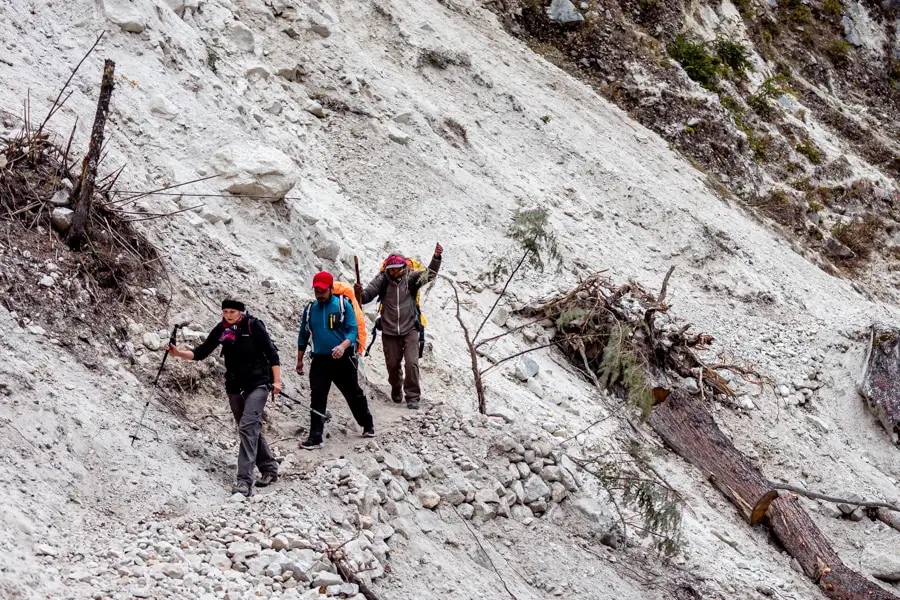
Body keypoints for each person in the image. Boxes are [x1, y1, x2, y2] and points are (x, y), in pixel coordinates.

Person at [167, 299, 281, 497]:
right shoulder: (222, 329)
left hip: (258, 384)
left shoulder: (253, 326)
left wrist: (277, 382)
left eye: (232, 312)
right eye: (225, 311)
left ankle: (244, 481)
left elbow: (271, 353)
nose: (228, 315)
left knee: (247, 426)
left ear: (241, 312)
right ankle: (269, 468)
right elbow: (201, 352)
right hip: (235, 385)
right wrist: (177, 353)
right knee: (249, 426)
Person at [355, 243, 443, 410]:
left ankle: (413, 396)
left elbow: (429, 275)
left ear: (404, 267)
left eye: (399, 269)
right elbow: (365, 297)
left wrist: (436, 258)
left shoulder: (410, 279)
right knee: (393, 366)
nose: (396, 273)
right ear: (387, 269)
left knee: (412, 363)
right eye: (392, 270)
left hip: (410, 328)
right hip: (389, 331)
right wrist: (357, 291)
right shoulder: (381, 280)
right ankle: (396, 388)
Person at [296, 271, 375, 449]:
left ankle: (367, 424)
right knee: (317, 396)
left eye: (323, 291)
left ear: (331, 288)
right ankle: (315, 436)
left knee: (353, 393)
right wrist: (299, 360)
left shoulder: (342, 305)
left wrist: (342, 346)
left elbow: (353, 331)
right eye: (317, 291)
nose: (319, 294)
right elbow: (303, 335)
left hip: (343, 359)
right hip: (320, 361)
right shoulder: (310, 310)